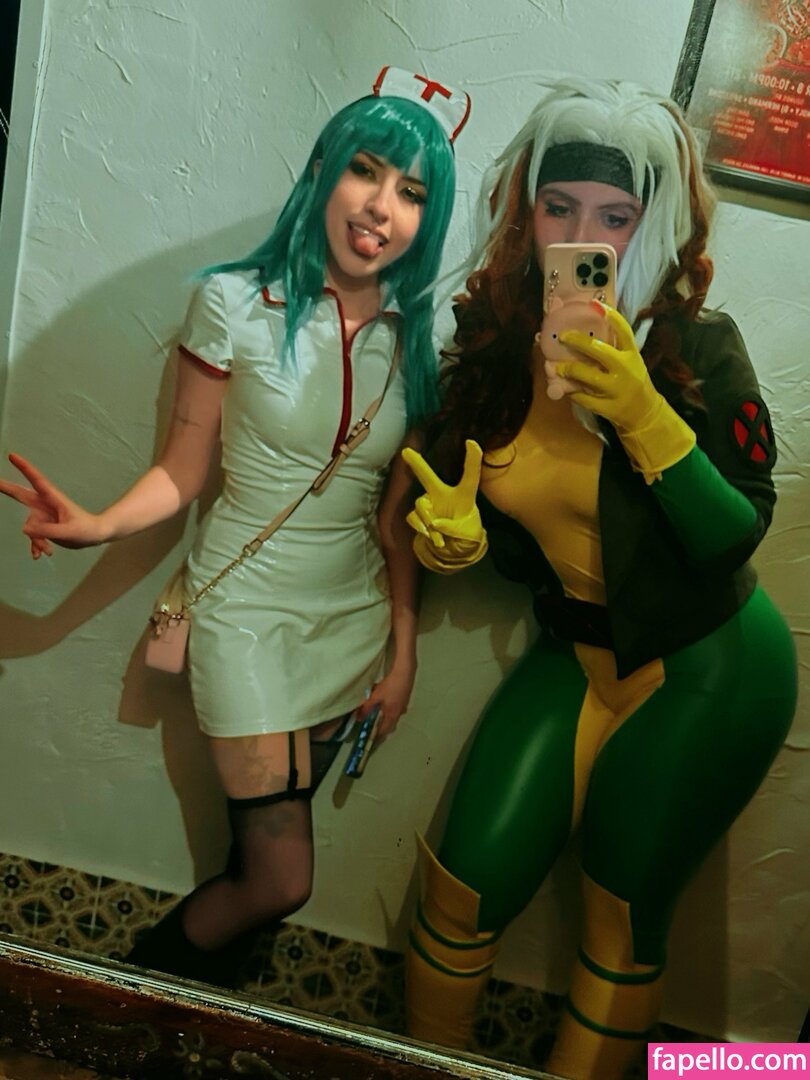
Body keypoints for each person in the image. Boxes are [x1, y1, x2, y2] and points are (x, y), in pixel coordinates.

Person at [0, 66, 470, 988]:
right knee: (282, 880)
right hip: (247, 617)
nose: (382, 207)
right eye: (365, 171)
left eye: (412, 192)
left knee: (254, 868)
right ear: (323, 172)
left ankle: (196, 1025)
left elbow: (395, 521)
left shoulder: (416, 340)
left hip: (352, 621)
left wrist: (405, 651)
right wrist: (97, 524)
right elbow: (183, 471)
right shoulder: (232, 302)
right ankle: (124, 1009)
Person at [401, 77, 797, 1080]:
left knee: (621, 912)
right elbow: (491, 513)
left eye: (615, 218)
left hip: (711, 666)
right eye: (560, 207)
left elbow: (734, 534)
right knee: (462, 887)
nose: (584, 237)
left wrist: (643, 414)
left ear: (649, 223)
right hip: (575, 650)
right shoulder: (496, 344)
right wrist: (457, 540)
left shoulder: (693, 346)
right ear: (524, 210)